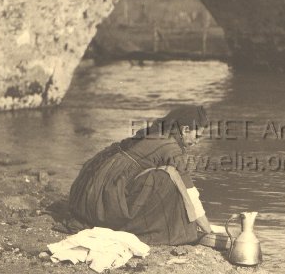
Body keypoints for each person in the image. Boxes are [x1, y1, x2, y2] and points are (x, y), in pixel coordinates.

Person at [68, 105, 212, 245]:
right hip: (105, 198)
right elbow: (190, 192)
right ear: (185, 129)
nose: (197, 142)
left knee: (168, 175)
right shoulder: (170, 148)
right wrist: (208, 230)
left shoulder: (155, 132)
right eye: (197, 136)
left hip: (88, 194)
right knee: (168, 180)